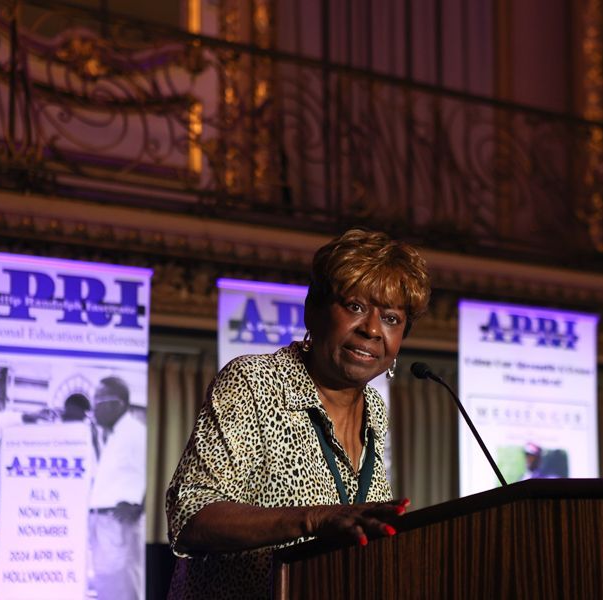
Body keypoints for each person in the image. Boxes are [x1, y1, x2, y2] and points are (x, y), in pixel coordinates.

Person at [166, 229, 431, 599]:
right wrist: (315, 518)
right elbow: (191, 516)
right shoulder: (255, 383)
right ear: (313, 311)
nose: (372, 329)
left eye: (390, 318)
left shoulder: (375, 411)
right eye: (355, 307)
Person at [89, 376, 146, 600]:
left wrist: (139, 506)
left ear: (118, 404)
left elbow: (161, 472)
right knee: (107, 588)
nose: (94, 407)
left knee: (122, 588)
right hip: (105, 525)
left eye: (98, 401)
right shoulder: (114, 435)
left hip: (119, 525)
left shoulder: (135, 433)